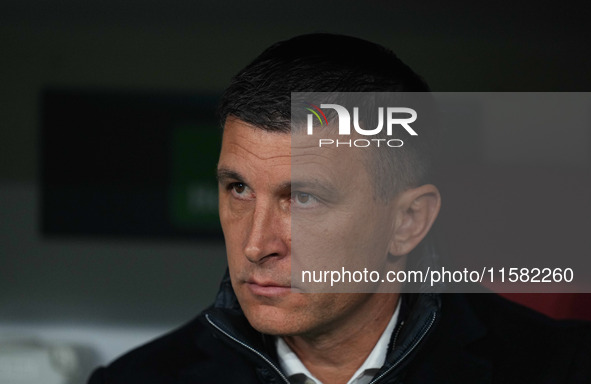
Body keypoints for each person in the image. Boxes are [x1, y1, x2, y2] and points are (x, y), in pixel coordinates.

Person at [88, 34, 591, 384]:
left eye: (303, 198)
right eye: (239, 189)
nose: (256, 244)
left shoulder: (561, 370)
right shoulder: (136, 380)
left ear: (408, 222)